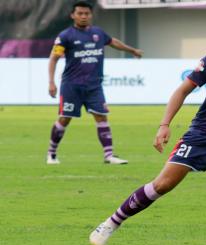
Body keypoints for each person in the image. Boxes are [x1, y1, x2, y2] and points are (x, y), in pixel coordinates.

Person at [89, 8, 206, 245]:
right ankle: (111, 223)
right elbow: (182, 91)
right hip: (203, 134)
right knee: (162, 184)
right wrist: (164, 125)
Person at [46, 1, 142, 165]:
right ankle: (51, 154)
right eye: (80, 13)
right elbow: (54, 58)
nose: (83, 16)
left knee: (101, 116)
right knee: (65, 118)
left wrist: (132, 50)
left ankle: (109, 155)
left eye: (86, 14)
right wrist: (51, 82)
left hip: (94, 86)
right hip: (71, 86)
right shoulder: (65, 36)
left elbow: (113, 42)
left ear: (91, 15)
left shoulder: (98, 33)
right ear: (73, 15)